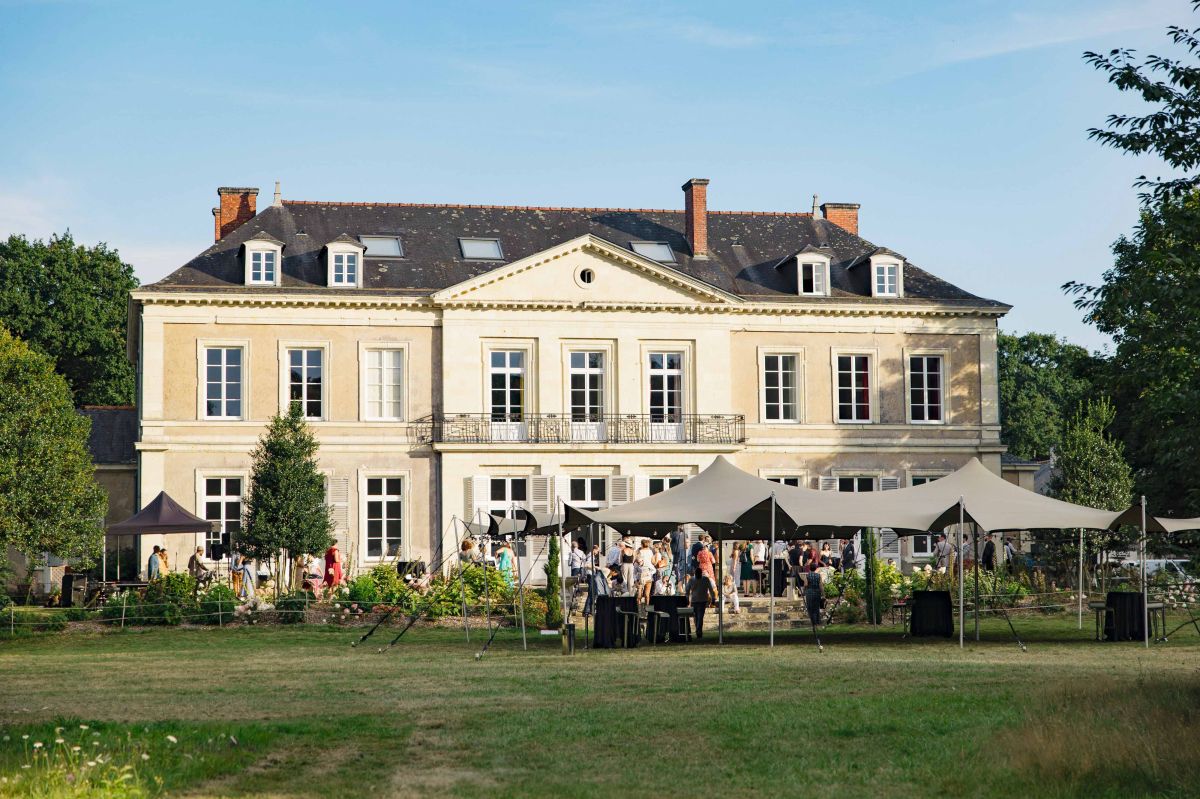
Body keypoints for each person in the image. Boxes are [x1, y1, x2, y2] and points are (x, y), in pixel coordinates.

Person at [687, 570, 718, 639]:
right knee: (696, 616)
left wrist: (713, 599)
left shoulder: (705, 579)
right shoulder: (692, 579)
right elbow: (687, 590)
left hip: (702, 601)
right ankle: (698, 630)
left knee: (700, 616)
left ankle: (698, 631)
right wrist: (687, 599)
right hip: (695, 601)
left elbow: (711, 589)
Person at [803, 562, 824, 629]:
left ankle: (813, 624)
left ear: (810, 568)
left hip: (809, 593)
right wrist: (823, 594)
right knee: (816, 608)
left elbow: (806, 585)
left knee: (810, 608)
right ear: (815, 568)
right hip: (817, 592)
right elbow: (821, 586)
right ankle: (817, 623)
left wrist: (803, 592)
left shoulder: (807, 575)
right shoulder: (819, 575)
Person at [636, 539, 656, 605]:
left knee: (639, 594)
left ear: (641, 544)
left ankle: (638, 607)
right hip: (649, 573)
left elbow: (637, 562)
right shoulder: (650, 552)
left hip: (641, 572)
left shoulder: (639, 552)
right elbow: (653, 562)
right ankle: (647, 607)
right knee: (647, 594)